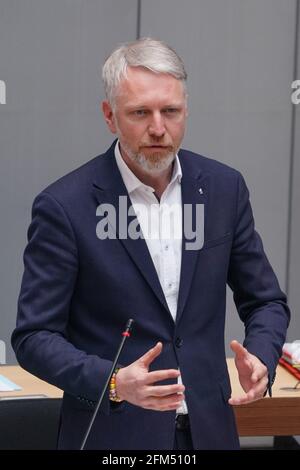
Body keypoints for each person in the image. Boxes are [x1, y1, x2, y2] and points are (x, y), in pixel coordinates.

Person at [11, 38, 290, 450]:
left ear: (186, 111)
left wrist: (262, 358)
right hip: (113, 435)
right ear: (110, 116)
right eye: (140, 112)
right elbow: (34, 337)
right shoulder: (64, 206)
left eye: (170, 111)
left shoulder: (224, 189)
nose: (158, 128)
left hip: (209, 432)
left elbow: (266, 300)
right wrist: (113, 382)